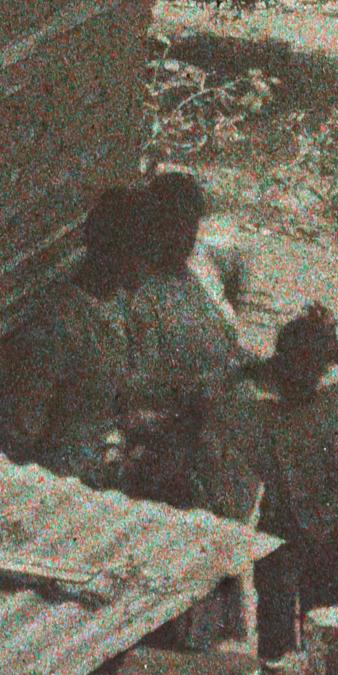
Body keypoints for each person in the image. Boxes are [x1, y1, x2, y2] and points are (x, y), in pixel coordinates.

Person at [111, 171, 265, 531]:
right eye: (173, 225)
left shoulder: (200, 272)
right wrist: (196, 394)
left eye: (191, 224)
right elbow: (131, 388)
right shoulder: (139, 293)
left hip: (229, 446)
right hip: (181, 449)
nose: (185, 237)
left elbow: (226, 338)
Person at [0, 185, 144, 482]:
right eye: (142, 251)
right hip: (61, 482)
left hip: (101, 469)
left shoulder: (118, 307)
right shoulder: (59, 325)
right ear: (115, 251)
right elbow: (18, 432)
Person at [249, 306, 338, 657]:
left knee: (325, 630)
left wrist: (334, 345)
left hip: (324, 529)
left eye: (309, 362)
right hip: (284, 524)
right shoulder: (270, 404)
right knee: (276, 628)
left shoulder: (333, 403)